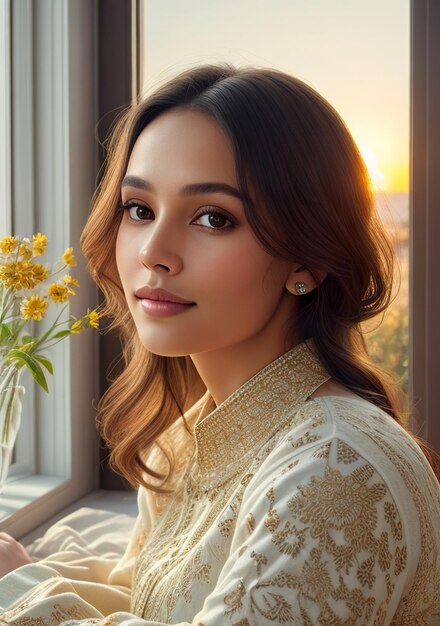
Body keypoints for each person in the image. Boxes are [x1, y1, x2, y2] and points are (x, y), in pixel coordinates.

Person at [0, 64, 439, 625]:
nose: (154, 251)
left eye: (212, 217)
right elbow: (154, 600)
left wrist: (20, 588)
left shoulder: (337, 468)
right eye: (139, 210)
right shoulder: (186, 442)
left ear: (306, 257)